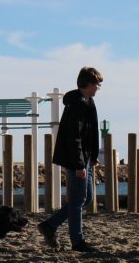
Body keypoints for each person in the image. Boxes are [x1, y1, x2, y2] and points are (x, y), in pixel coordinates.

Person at [37, 67, 103, 252]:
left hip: (86, 159)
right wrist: (79, 164)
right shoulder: (76, 104)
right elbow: (74, 138)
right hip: (76, 160)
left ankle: (50, 225)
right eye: (96, 84)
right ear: (87, 84)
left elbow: (90, 133)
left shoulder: (88, 102)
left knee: (86, 197)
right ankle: (77, 241)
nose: (98, 88)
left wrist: (93, 156)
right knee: (78, 200)